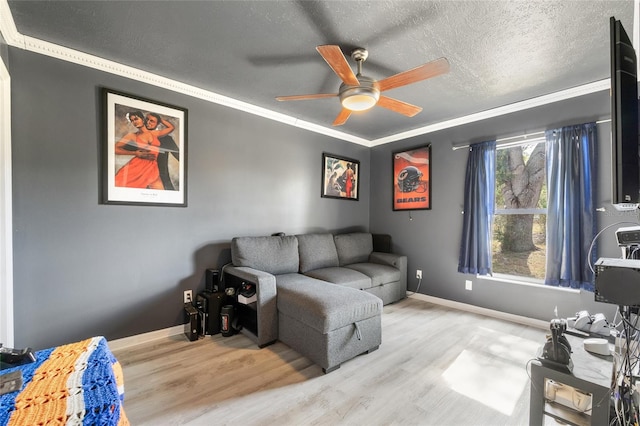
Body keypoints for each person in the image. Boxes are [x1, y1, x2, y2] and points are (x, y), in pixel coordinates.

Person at [114, 110, 174, 189]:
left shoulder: (154, 133)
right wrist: (135, 153)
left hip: (153, 167)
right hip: (137, 168)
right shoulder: (132, 136)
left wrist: (158, 118)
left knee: (160, 194)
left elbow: (171, 127)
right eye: (132, 120)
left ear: (143, 119)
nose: (134, 122)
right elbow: (115, 149)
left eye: (136, 119)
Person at [145, 112, 180, 191]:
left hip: (161, 179)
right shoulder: (138, 137)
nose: (147, 122)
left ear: (158, 123)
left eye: (152, 121)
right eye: (146, 119)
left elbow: (181, 157)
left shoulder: (166, 139)